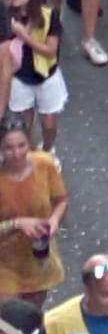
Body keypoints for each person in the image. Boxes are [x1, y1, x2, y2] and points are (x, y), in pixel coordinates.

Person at [0, 121, 65, 304]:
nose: (17, 153)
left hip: (37, 257)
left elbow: (61, 200)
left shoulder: (44, 164)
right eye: (9, 148)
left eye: (22, 145)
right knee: (8, 321)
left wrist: (54, 220)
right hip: (4, 262)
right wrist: (17, 223)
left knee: (31, 319)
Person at [6, 0, 64, 153]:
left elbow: (50, 51)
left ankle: (47, 151)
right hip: (20, 76)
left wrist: (24, 36)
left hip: (46, 75)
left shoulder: (49, 15)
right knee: (24, 122)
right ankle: (28, 154)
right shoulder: (6, 16)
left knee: (49, 123)